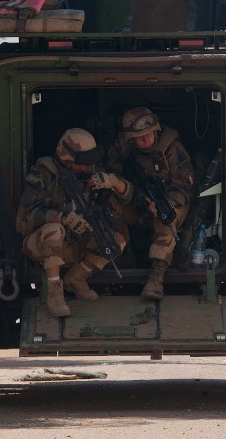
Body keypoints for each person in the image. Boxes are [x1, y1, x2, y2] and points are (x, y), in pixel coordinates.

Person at [15, 128, 128, 318]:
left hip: (76, 242)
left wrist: (113, 183)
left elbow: (126, 199)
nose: (84, 168)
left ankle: (76, 279)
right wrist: (61, 217)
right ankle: (55, 293)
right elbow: (25, 219)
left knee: (115, 240)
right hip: (41, 244)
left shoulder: (90, 171)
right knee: (54, 229)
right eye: (80, 164)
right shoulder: (43, 173)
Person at [91, 107, 194, 300]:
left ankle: (156, 277)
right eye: (140, 137)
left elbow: (184, 189)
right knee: (110, 205)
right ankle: (124, 262)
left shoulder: (171, 149)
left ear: (156, 131)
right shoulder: (121, 151)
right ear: (130, 138)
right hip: (134, 202)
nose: (146, 140)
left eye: (149, 135)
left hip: (167, 201)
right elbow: (113, 184)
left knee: (168, 215)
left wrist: (166, 202)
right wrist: (131, 193)